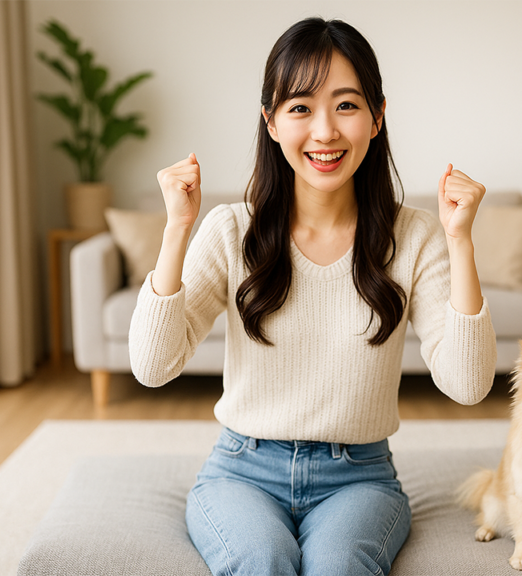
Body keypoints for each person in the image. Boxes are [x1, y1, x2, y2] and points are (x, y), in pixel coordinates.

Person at [129, 17, 497, 576]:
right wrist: (177, 229)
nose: (325, 131)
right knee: (261, 560)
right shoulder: (231, 231)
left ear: (376, 119)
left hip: (361, 478)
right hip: (240, 473)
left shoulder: (417, 235)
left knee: (339, 567)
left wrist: (460, 241)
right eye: (300, 108)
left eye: (346, 106)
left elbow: (468, 386)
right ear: (271, 122)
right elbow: (153, 368)